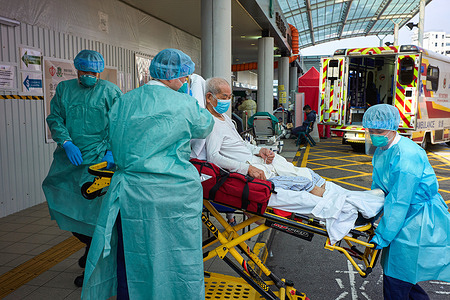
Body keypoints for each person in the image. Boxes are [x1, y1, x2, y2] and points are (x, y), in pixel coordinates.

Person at [81, 49, 214, 300]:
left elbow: (111, 135)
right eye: (184, 77)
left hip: (131, 194)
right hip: (175, 196)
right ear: (174, 76)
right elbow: (205, 126)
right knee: (177, 256)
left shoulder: (124, 100)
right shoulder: (184, 103)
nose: (185, 81)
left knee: (132, 254)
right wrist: (194, 102)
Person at [203, 78, 385, 244]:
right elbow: (213, 156)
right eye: (224, 96)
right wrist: (246, 169)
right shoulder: (209, 123)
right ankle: (350, 210)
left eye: (230, 96)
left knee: (310, 176)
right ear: (210, 97)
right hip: (252, 175)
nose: (228, 100)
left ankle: (356, 201)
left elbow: (242, 146)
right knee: (304, 184)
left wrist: (260, 150)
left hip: (260, 165)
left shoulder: (226, 119)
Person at [42, 49, 122, 287]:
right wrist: (65, 142)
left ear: (100, 72)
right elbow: (55, 118)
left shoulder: (110, 92)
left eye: (93, 72)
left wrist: (111, 151)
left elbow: (119, 123)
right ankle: (89, 246)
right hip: (71, 161)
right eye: (84, 71)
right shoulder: (65, 90)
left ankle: (94, 261)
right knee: (61, 201)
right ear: (76, 69)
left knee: (94, 213)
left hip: (99, 161)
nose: (89, 76)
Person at [362, 104, 450, 300]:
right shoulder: (383, 149)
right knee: (401, 276)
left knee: (398, 274)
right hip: (403, 214)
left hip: (418, 218)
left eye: (379, 131)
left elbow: (399, 201)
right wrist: (367, 208)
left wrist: (383, 235)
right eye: (371, 131)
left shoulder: (406, 157)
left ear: (393, 127)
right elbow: (379, 186)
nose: (374, 135)